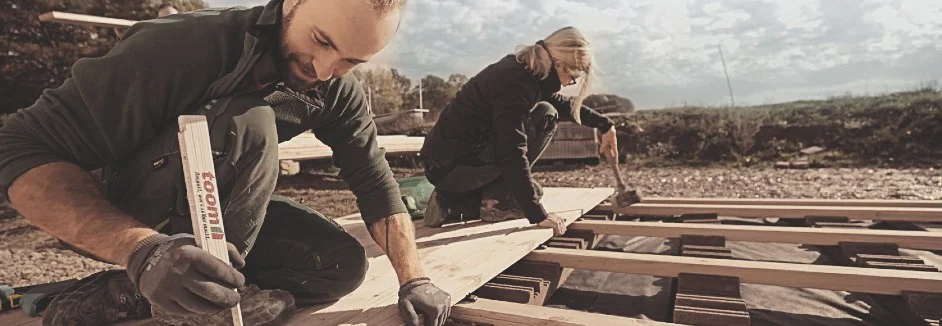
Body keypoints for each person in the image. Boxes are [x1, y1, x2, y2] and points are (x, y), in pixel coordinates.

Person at [0, 0, 451, 325]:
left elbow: (375, 181)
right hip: (122, 209)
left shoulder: (336, 88)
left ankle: (140, 294)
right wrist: (140, 250)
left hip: (205, 214)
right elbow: (17, 148)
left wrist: (414, 279)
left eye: (350, 61)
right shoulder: (182, 46)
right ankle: (175, 285)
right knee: (251, 123)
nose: (323, 68)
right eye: (320, 40)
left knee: (339, 264)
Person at [419, 26, 619, 236]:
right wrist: (538, 215)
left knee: (532, 190)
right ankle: (464, 202)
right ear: (559, 64)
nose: (571, 83)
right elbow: (512, 150)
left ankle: (457, 201)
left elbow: (566, 105)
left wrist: (606, 125)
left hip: (448, 164)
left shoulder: (526, 72)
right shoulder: (516, 83)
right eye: (573, 77)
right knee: (547, 116)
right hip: (453, 170)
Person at [113, 3, 179, 39]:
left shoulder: (186, 35)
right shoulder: (155, 39)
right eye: (163, 19)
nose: (168, 22)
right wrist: (124, 37)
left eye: (172, 17)